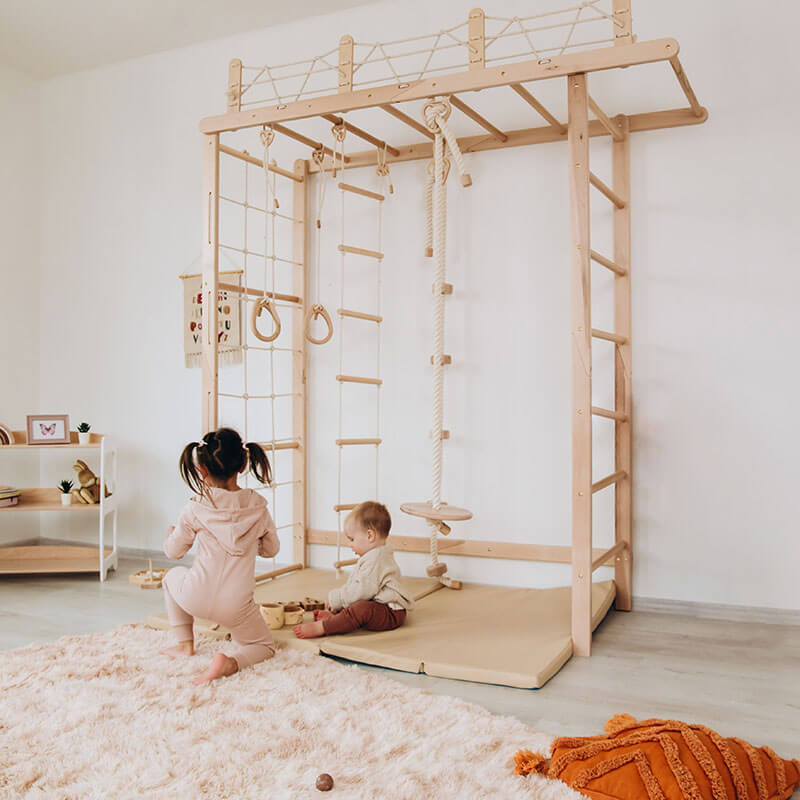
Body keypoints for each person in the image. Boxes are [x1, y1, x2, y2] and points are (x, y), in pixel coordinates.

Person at [161, 427, 278, 684]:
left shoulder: (195, 507)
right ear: (244, 464)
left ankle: (184, 645)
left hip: (195, 596)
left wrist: (171, 534)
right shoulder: (259, 509)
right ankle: (230, 663)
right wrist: (251, 542)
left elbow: (174, 552)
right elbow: (272, 550)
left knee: (171, 578)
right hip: (237, 607)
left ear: (202, 470)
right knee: (264, 646)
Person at [293, 501, 413, 639]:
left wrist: (336, 598)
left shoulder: (376, 559)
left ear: (370, 536)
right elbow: (355, 587)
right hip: (378, 604)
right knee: (354, 602)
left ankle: (324, 627)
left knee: (360, 609)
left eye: (352, 539)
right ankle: (337, 618)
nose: (350, 544)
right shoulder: (373, 556)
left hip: (391, 613)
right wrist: (341, 605)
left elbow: (361, 591)